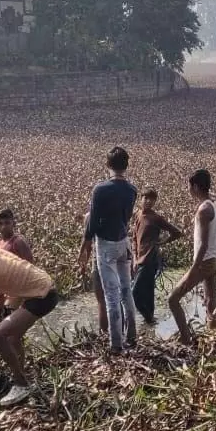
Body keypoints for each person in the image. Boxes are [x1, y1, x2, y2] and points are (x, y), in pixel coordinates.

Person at [0, 222, 58, 407]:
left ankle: (21, 383)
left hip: (42, 296)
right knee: (13, 338)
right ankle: (21, 376)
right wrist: (1, 299)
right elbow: (10, 275)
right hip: (44, 290)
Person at [78, 147, 139, 353]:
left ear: (108, 165)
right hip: (124, 243)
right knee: (126, 291)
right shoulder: (132, 190)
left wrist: (83, 251)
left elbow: (92, 224)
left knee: (111, 296)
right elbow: (126, 217)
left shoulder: (100, 189)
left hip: (106, 245)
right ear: (126, 165)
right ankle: (132, 336)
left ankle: (116, 345)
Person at [168, 169, 216, 344]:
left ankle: (186, 339)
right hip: (215, 260)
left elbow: (204, 244)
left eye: (189, 186)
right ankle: (214, 335)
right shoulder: (213, 204)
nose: (188, 190)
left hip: (204, 262)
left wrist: (193, 269)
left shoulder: (203, 210)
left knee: (173, 299)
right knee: (210, 301)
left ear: (196, 187)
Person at [131, 188, 184, 324]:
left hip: (150, 258)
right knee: (148, 291)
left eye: (151, 199)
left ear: (154, 201)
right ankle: (150, 320)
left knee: (135, 293)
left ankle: (148, 318)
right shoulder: (137, 215)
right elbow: (135, 238)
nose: (148, 201)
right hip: (140, 259)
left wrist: (161, 242)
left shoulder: (156, 218)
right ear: (140, 199)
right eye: (145, 198)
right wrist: (135, 258)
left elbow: (177, 232)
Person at [0, 208, 34, 318]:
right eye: (0, 224)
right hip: (6, 288)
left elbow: (30, 266)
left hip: (18, 289)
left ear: (13, 223)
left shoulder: (18, 242)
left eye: (7, 223)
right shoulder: (0, 244)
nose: (4, 226)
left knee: (7, 315)